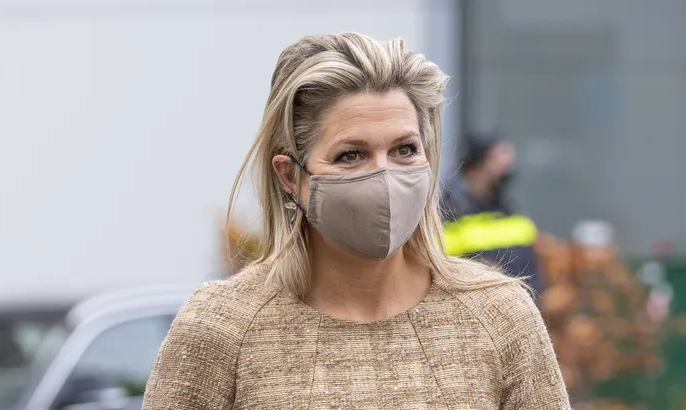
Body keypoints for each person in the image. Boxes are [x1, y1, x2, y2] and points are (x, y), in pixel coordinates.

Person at [142, 32, 569, 409]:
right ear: (290, 176)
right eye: (351, 155)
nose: (384, 177)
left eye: (404, 149)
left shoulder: (499, 316)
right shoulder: (222, 327)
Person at [440, 131, 545, 294]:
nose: (509, 168)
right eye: (500, 159)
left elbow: (531, 272)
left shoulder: (511, 212)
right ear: (477, 165)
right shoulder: (448, 214)